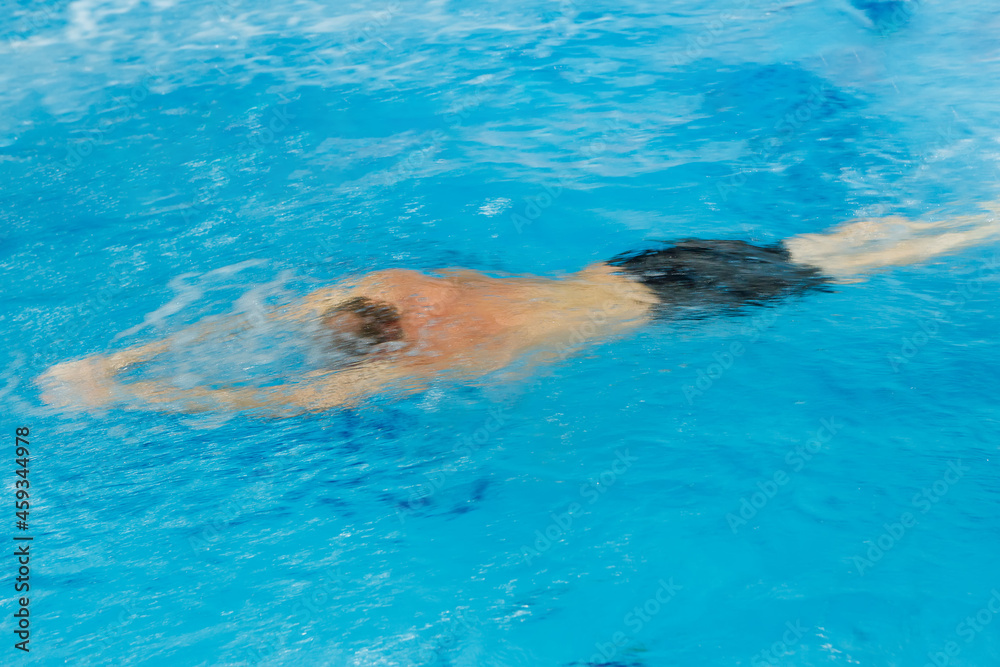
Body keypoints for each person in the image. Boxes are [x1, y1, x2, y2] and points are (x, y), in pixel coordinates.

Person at [39, 205, 1000, 414]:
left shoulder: (437, 356)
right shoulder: (404, 286)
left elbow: (283, 403)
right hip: (649, 264)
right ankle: (944, 214)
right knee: (815, 248)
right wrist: (124, 355)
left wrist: (130, 392)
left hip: (676, 306)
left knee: (853, 272)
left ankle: (968, 233)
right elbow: (279, 314)